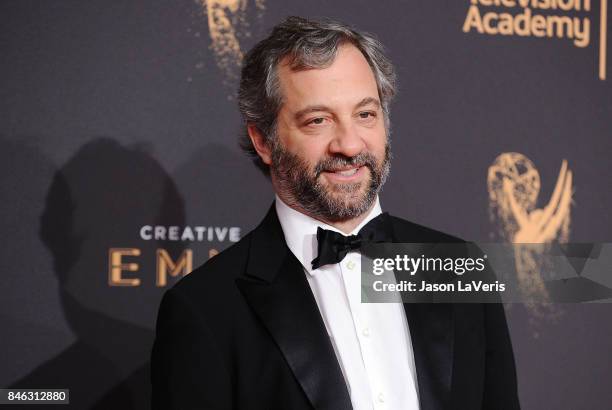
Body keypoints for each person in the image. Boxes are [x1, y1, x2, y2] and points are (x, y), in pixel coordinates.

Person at [151, 16, 520, 410]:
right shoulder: (206, 308)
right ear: (263, 141)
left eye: (365, 114)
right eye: (318, 120)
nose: (348, 143)